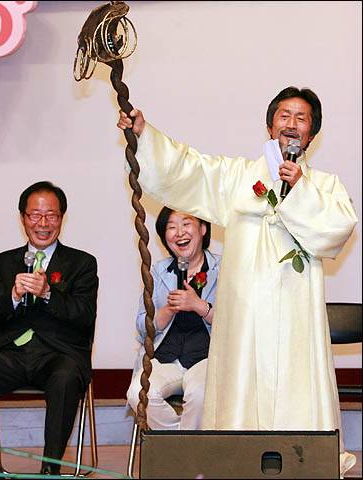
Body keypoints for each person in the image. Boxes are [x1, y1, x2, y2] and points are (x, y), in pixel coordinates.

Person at [117, 86, 358, 475]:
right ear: (269, 126)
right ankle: (236, 462)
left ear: (312, 134)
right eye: (284, 115)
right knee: (242, 383)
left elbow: (337, 230)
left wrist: (300, 190)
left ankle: (302, 463)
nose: (291, 124)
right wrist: (145, 135)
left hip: (295, 314)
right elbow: (189, 169)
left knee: (296, 382)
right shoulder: (237, 177)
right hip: (245, 312)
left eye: (301, 118)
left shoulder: (325, 186)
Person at [0, 181, 98, 477]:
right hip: (11, 353)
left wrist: (48, 293)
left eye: (51, 215)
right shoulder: (2, 263)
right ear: (23, 217)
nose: (43, 224)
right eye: (35, 215)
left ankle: (50, 467)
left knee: (64, 379)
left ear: (62, 218)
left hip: (59, 354)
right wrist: (13, 296)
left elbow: (84, 316)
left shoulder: (82, 263)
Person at [127, 206, 220, 429]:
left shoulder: (223, 269)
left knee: (200, 394)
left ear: (203, 229)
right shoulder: (158, 272)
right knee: (139, 393)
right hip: (166, 358)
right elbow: (142, 326)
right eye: (171, 227)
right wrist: (167, 310)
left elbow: (236, 324)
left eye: (186, 224)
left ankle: (180, 447)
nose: (179, 233)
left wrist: (199, 306)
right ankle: (179, 443)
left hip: (208, 358)